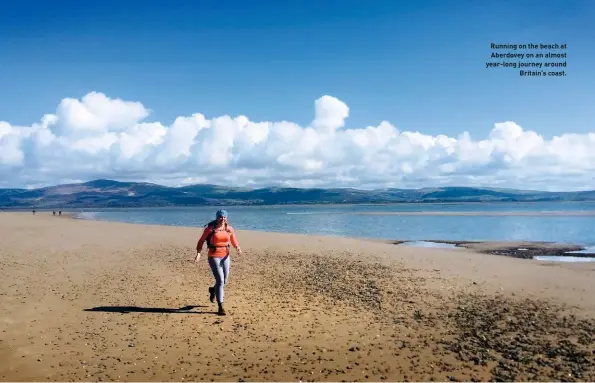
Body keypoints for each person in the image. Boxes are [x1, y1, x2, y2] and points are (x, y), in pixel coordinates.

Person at [195, 209, 242, 316]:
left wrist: (237, 247)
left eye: (224, 217)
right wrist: (198, 253)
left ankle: (213, 290)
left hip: (226, 256)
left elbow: (233, 240)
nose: (222, 219)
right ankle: (220, 306)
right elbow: (201, 240)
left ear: (226, 218)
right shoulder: (210, 229)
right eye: (220, 217)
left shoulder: (229, 229)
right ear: (217, 218)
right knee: (220, 280)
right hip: (214, 256)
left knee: (224, 280)